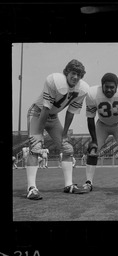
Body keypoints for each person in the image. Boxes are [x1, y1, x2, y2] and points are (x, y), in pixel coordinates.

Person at [25, 59, 89, 200]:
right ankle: (31, 188)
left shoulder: (82, 89)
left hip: (53, 117)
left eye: (79, 75)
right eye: (73, 73)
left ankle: (69, 185)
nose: (76, 77)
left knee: (67, 148)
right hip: (37, 113)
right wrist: (38, 133)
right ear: (66, 72)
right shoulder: (54, 81)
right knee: (35, 147)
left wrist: (65, 133)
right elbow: (46, 108)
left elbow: (70, 112)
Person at [83, 73, 118, 192]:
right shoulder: (92, 94)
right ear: (101, 86)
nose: (109, 89)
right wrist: (93, 140)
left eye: (112, 87)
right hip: (102, 124)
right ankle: (88, 182)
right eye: (106, 87)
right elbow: (90, 118)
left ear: (116, 87)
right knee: (93, 150)